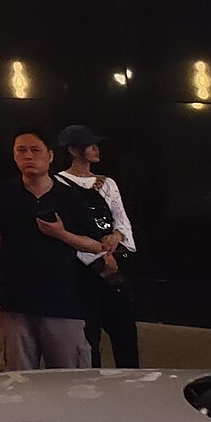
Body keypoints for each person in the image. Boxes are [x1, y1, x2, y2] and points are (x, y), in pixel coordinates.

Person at [0, 126, 115, 371]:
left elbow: (96, 244)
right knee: (18, 377)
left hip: (61, 302)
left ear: (50, 155)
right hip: (15, 301)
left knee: (68, 377)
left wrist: (61, 234)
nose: (28, 157)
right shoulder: (3, 194)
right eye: (21, 151)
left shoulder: (68, 196)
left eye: (35, 150)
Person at [58, 124, 139, 367]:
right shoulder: (59, 184)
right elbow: (66, 233)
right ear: (74, 150)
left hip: (115, 267)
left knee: (125, 334)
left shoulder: (107, 183)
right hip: (83, 273)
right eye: (89, 145)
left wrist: (115, 240)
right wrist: (98, 258)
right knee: (88, 339)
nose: (95, 149)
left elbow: (122, 221)